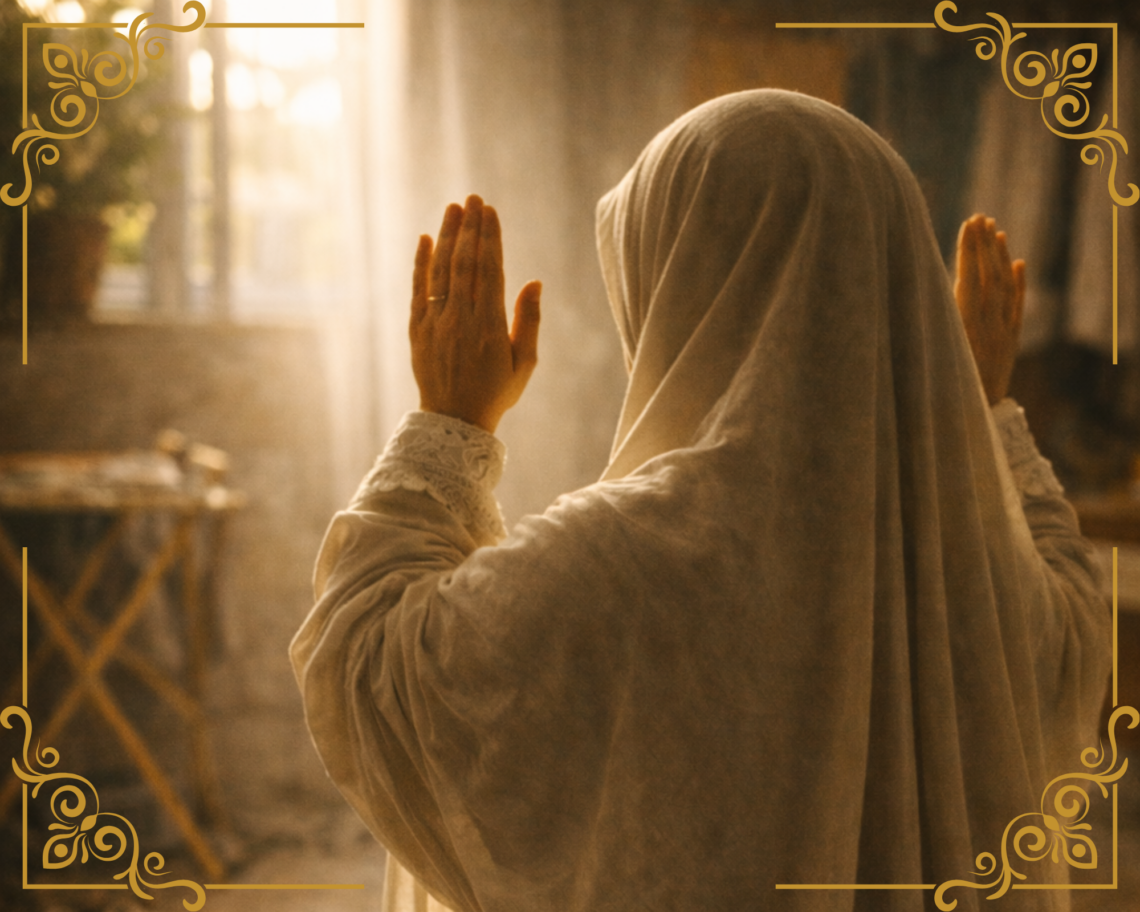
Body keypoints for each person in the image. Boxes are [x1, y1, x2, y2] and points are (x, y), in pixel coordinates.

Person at [291, 90, 1111, 911]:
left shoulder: (621, 562)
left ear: (679, 284)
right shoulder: (965, 569)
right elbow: (1076, 624)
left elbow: (370, 668)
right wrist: (984, 411)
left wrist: (450, 420)